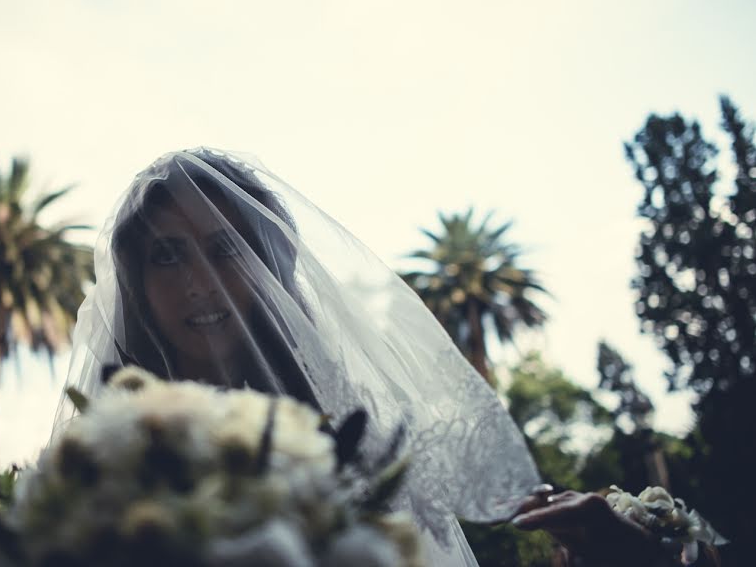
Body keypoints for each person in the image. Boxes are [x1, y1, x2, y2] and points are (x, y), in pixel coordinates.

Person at [52, 148, 711, 566]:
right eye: (167, 254)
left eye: (227, 249)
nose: (200, 280)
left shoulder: (362, 445)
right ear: (134, 280)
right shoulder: (106, 471)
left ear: (271, 270)